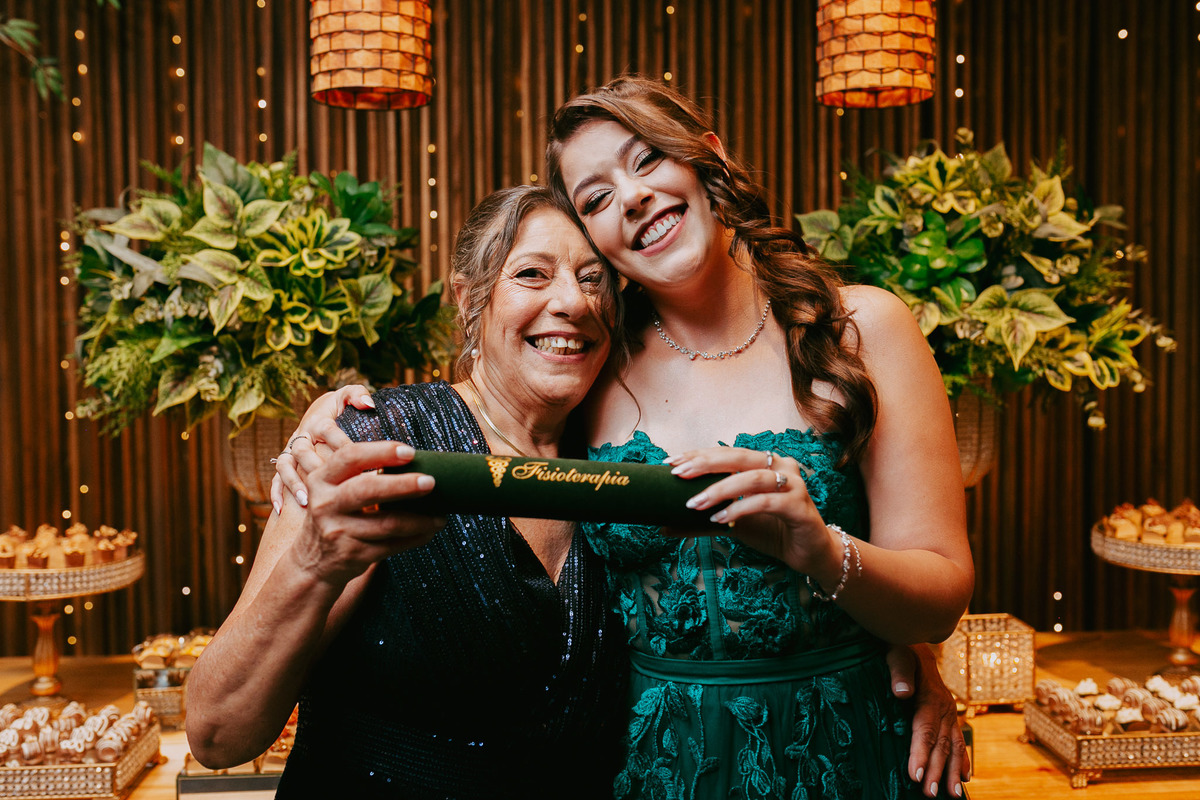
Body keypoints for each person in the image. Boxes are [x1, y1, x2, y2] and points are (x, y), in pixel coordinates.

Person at [276, 77, 974, 799]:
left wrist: (835, 564)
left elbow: (941, 594)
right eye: (597, 198)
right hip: (661, 765)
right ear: (597, 240)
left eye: (647, 160)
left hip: (845, 749)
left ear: (708, 158)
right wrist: (339, 414)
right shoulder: (592, 366)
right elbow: (489, 408)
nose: (632, 197)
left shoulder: (862, 328)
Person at [186, 186, 631, 798]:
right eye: (532, 273)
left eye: (593, 279)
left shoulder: (620, 463)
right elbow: (217, 735)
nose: (573, 302)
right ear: (468, 298)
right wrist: (313, 563)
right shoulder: (372, 440)